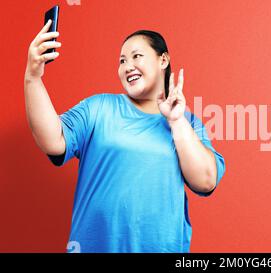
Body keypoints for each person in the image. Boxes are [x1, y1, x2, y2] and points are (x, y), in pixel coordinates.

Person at [24, 20, 225, 253]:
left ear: (163, 60)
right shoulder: (99, 108)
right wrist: (33, 77)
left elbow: (206, 180)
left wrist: (176, 121)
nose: (127, 66)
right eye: (122, 61)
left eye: (136, 56)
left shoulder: (188, 124)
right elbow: (52, 140)